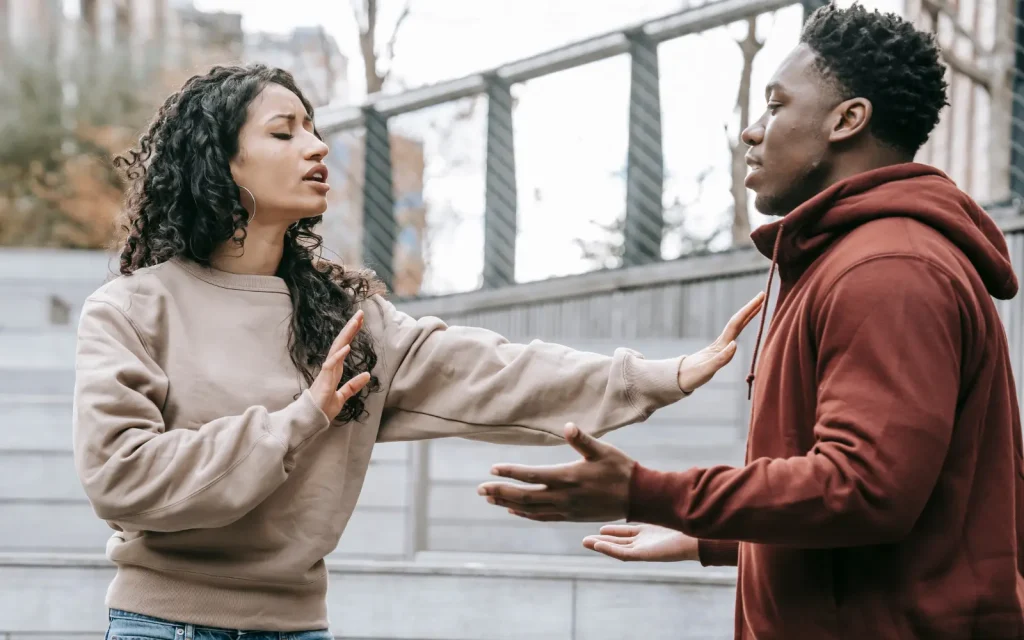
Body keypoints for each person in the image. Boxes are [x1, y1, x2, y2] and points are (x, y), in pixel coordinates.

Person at [70, 63, 763, 639]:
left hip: (298, 627)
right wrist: (302, 418)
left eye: (313, 128)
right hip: (163, 626)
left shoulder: (347, 320)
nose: (316, 147)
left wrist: (659, 376)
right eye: (284, 132)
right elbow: (120, 477)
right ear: (218, 162)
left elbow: (493, 372)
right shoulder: (132, 309)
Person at [477, 4, 1024, 639]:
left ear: (847, 120)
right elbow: (885, 506)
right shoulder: (853, 258)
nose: (751, 131)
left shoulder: (888, 269)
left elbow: (865, 490)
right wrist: (712, 537)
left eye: (775, 106)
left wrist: (646, 491)